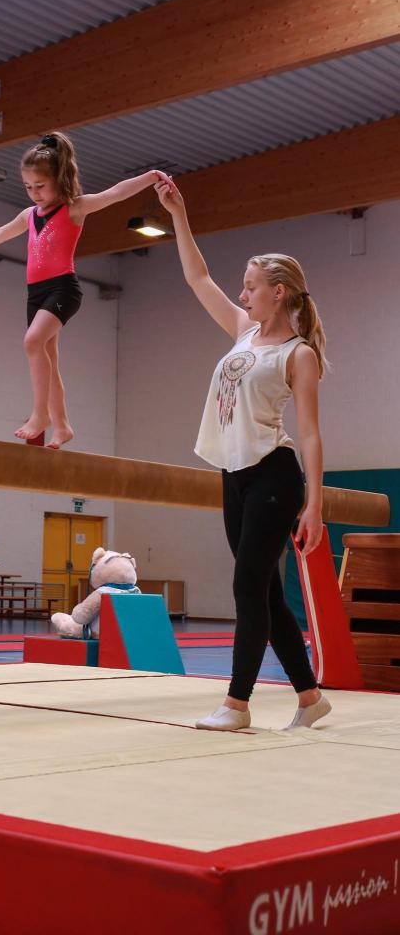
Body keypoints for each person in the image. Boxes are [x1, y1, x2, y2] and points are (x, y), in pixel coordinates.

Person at [156, 176, 331, 732]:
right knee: (264, 592)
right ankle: (310, 697)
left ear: (278, 291)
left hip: (274, 475)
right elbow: (197, 277)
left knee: (246, 586)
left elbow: (309, 434)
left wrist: (314, 505)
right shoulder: (242, 332)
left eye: (252, 286)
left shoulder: (298, 354)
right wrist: (179, 215)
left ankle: (236, 703)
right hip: (233, 475)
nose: (244, 293)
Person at [0, 132, 166, 448]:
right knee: (47, 357)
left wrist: (150, 177)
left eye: (40, 185)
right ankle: (62, 426)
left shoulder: (74, 208)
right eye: (28, 187)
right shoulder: (29, 216)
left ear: (59, 179)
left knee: (32, 342)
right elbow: (0, 233)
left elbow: (115, 193)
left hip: (63, 289)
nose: (34, 193)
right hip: (36, 293)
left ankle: (40, 415)